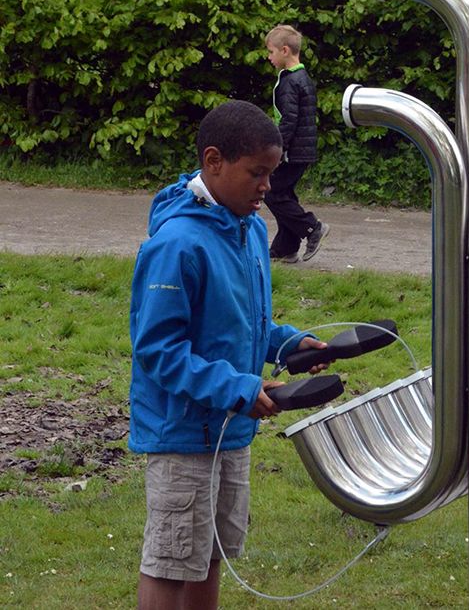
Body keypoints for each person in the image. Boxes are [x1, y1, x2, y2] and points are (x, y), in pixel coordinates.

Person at [129, 99, 328, 610]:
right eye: (256, 174)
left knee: (212, 552)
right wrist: (240, 387)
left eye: (272, 174)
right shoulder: (176, 244)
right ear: (213, 161)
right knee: (173, 562)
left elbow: (243, 325)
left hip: (231, 430)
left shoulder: (249, 232)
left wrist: (288, 344)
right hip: (183, 435)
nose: (267, 186)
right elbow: (158, 351)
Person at [264, 24, 329, 263]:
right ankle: (286, 247)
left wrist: (278, 149)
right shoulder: (301, 78)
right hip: (302, 149)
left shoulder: (291, 82)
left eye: (271, 52)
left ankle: (313, 228)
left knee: (272, 192)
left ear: (284, 50)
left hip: (293, 150)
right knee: (284, 194)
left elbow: (289, 120)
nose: (269, 57)